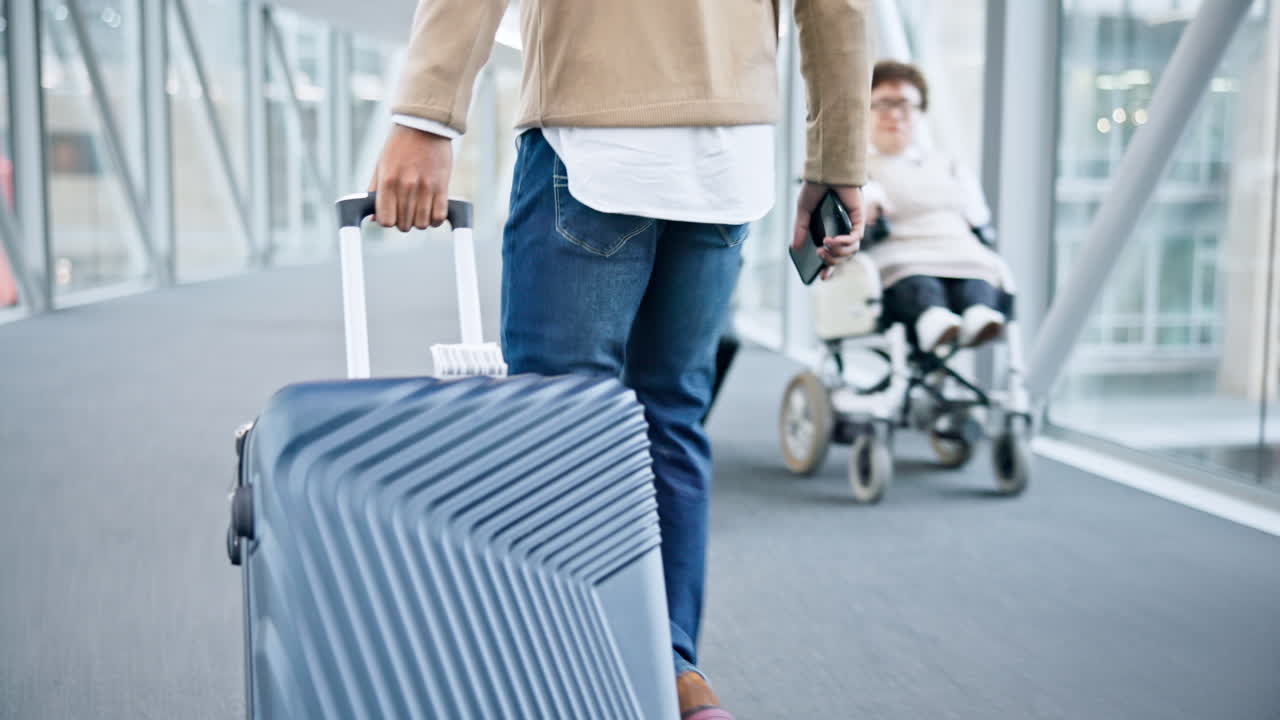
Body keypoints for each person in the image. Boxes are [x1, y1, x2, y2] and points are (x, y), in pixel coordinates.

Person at [368, 2, 871, 716]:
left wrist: (426, 114)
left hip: (593, 127)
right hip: (729, 153)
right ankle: (673, 673)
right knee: (671, 417)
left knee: (561, 422)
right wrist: (838, 159)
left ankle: (569, 676)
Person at [862, 60, 1009, 354]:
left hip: (959, 250)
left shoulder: (949, 165)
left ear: (920, 113)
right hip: (902, 254)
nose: (894, 114)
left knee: (978, 276)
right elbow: (866, 207)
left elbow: (977, 216)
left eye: (904, 105)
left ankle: (978, 315)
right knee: (917, 280)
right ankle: (932, 320)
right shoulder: (861, 168)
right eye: (882, 104)